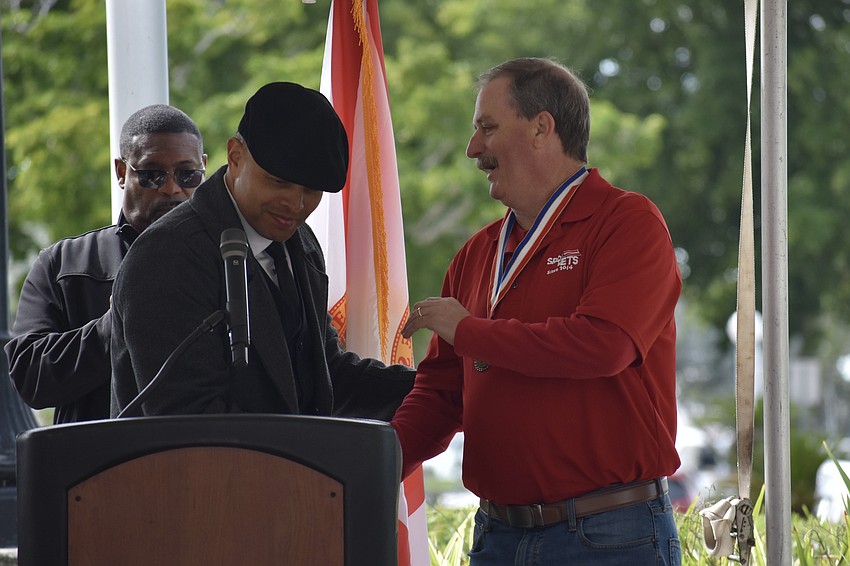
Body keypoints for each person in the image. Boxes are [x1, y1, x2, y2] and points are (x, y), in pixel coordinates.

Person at [392, 57, 683, 565]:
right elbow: (441, 394)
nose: (472, 149)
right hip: (497, 535)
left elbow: (603, 344)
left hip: (610, 535)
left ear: (541, 127)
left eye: (486, 127)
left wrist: (470, 332)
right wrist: (365, 468)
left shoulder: (627, 222)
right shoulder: (476, 253)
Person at [110, 82, 414, 419]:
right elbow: (186, 419)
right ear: (235, 156)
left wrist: (444, 387)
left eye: (312, 191)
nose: (295, 204)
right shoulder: (167, 256)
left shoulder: (302, 244)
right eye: (279, 182)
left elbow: (324, 376)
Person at [5, 105, 207, 424]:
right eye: (152, 174)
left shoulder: (233, 260)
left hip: (210, 463)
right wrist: (117, 324)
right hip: (101, 467)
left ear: (204, 169)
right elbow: (30, 378)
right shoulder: (64, 264)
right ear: (122, 172)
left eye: (187, 174)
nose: (171, 188)